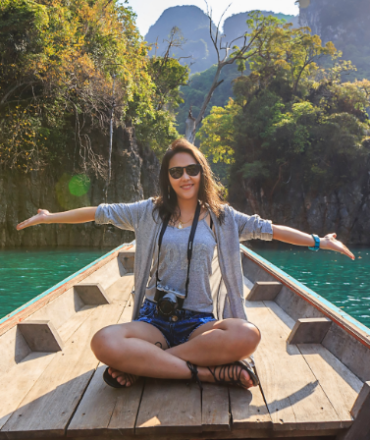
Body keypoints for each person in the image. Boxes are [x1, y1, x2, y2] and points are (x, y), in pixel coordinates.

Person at [16, 138, 354, 391]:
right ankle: (204, 372)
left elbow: (271, 230)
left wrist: (319, 241)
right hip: (155, 321)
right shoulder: (148, 212)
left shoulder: (224, 219)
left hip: (199, 323)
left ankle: (148, 365)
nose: (185, 177)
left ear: (201, 172)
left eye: (192, 169)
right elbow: (97, 212)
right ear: (168, 177)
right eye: (176, 171)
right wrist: (49, 218)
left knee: (246, 334)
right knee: (103, 342)